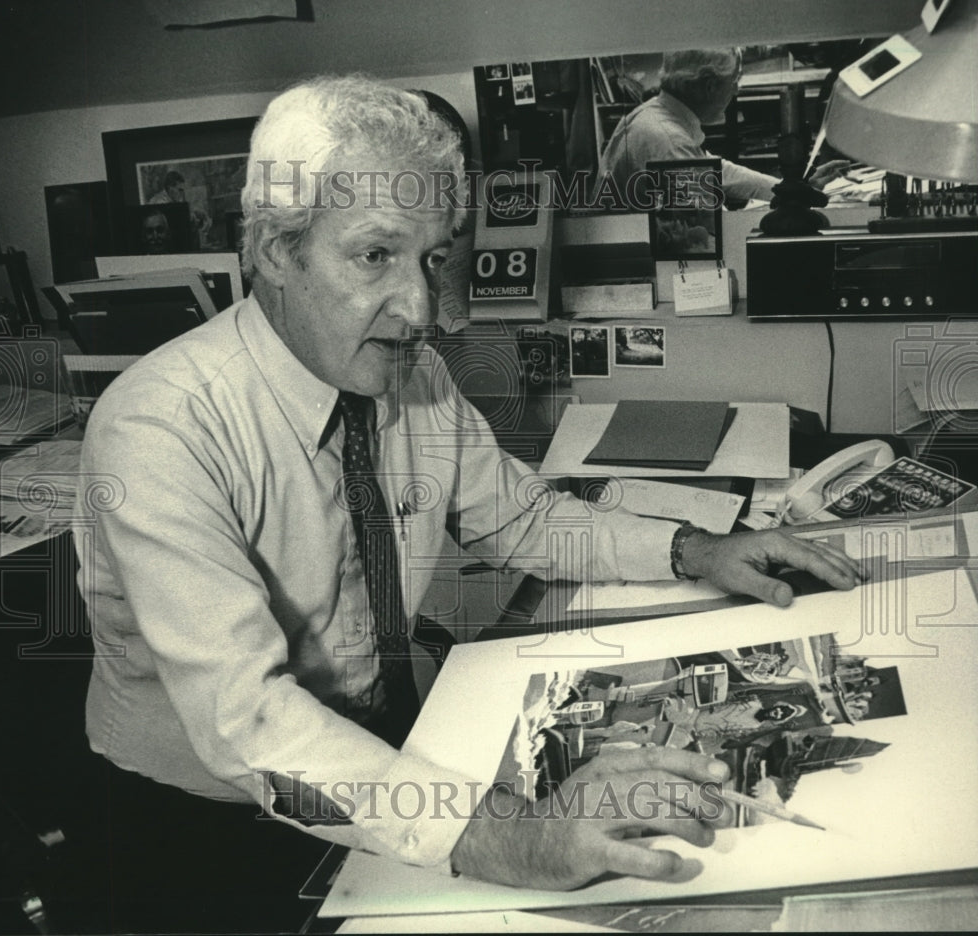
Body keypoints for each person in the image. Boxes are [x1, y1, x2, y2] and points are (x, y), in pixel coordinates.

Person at [75, 74, 861, 933]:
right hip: (205, 824)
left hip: (389, 750)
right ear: (274, 251)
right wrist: (511, 835)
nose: (420, 309)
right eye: (375, 255)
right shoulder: (161, 427)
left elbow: (523, 519)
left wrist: (696, 550)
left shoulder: (411, 373)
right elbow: (247, 722)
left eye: (432, 258)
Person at [597, 48, 849, 207]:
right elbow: (708, 234)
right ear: (709, 86)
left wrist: (792, 189)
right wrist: (792, 204)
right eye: (734, 81)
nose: (736, 90)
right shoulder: (669, 142)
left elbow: (718, 171)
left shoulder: (656, 115)